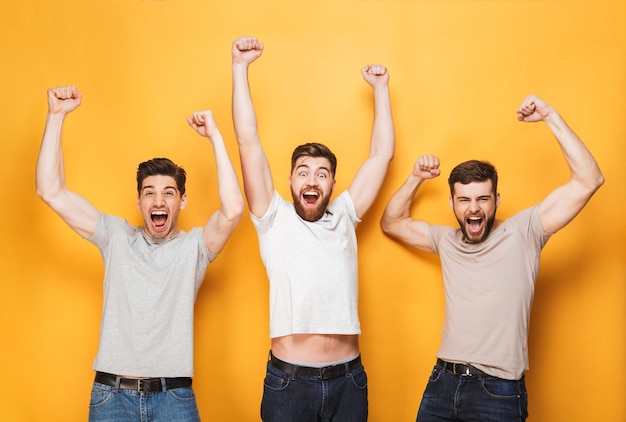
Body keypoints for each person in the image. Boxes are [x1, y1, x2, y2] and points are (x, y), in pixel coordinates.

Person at [380, 94, 604, 421]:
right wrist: (416, 177)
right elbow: (392, 222)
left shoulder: (524, 231)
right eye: (465, 200)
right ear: (453, 204)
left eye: (483, 199)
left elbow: (589, 180)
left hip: (498, 391)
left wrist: (550, 116)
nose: (474, 208)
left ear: (496, 200)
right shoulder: (445, 240)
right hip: (442, 382)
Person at [36, 85, 244, 421]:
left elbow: (233, 209)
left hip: (174, 398)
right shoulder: (116, 236)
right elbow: (50, 190)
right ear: (139, 202)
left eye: (168, 193)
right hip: (112, 398)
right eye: (149, 193)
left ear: (182, 201)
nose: (158, 201)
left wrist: (215, 136)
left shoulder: (195, 247)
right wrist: (56, 116)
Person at [231, 36, 395, 421]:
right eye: (303, 172)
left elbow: (381, 154)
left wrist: (381, 90)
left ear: (332, 185)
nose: (312, 180)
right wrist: (239, 68)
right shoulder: (273, 217)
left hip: (349, 381)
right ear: (290, 181)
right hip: (290, 384)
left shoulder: (344, 215)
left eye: (322, 174)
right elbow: (247, 140)